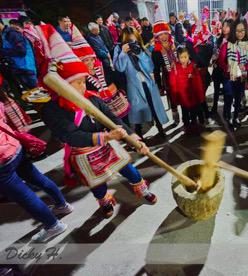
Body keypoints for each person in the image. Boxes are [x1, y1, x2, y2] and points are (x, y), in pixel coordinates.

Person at [41, 36, 157, 218]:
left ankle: (142, 190)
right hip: (84, 152)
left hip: (107, 145)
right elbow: (70, 136)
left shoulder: (92, 99)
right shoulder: (53, 110)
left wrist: (133, 137)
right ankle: (105, 202)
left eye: (83, 80)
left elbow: (111, 118)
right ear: (63, 86)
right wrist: (107, 137)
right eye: (77, 82)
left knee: (127, 167)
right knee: (97, 182)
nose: (83, 85)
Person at [0, 78, 73, 242]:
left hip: (2, 161)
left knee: (24, 196)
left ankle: (53, 225)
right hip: (15, 147)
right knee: (37, 178)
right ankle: (62, 206)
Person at [113, 27, 168, 137]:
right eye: (129, 41)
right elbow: (119, 68)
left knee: (153, 106)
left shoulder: (141, 48)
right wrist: (123, 53)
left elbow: (150, 67)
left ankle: (160, 127)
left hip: (147, 82)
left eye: (134, 40)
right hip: (133, 84)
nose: (132, 44)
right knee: (137, 109)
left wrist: (140, 54)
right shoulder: (119, 49)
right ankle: (138, 133)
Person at [218, 17, 248, 130]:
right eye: (237, 30)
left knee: (238, 98)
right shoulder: (227, 44)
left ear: (246, 31)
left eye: (242, 30)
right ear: (234, 31)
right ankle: (228, 116)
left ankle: (235, 117)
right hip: (229, 76)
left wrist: (246, 66)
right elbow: (220, 60)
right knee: (228, 98)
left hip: (241, 76)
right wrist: (226, 67)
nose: (240, 33)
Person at [151, 5, 180, 125]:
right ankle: (175, 115)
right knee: (173, 97)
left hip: (180, 74)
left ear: (168, 33)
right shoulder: (156, 51)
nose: (163, 37)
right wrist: (160, 86)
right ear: (157, 36)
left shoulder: (175, 44)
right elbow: (156, 70)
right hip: (168, 77)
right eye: (160, 35)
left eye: (165, 33)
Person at [169, 45, 205, 134]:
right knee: (185, 114)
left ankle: (194, 127)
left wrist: (193, 77)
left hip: (192, 95)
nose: (183, 59)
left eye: (185, 57)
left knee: (193, 113)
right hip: (182, 96)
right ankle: (187, 128)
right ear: (178, 57)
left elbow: (198, 81)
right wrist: (175, 95)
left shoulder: (193, 66)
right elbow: (173, 82)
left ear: (189, 55)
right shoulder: (175, 67)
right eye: (181, 57)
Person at [0, 19, 37, 90]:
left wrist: (2, 52)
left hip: (26, 70)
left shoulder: (12, 33)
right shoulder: (4, 35)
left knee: (37, 96)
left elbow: (21, 51)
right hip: (18, 69)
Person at [211, 18, 233, 114]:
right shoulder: (219, 39)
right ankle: (214, 107)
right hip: (217, 69)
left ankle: (226, 110)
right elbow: (214, 54)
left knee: (226, 91)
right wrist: (217, 51)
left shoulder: (233, 41)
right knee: (216, 90)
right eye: (223, 26)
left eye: (227, 26)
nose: (224, 28)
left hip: (227, 70)